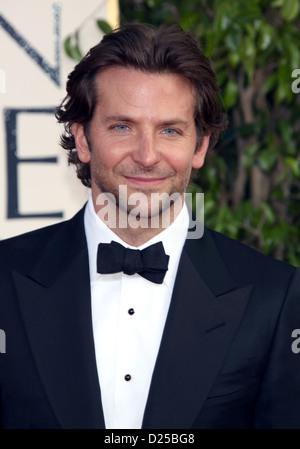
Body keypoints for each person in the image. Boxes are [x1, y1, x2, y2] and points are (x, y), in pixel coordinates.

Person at [0, 23, 300, 430]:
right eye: (122, 127)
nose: (146, 155)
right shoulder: (5, 278)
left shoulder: (274, 296)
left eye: (170, 131)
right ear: (84, 139)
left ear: (199, 147)